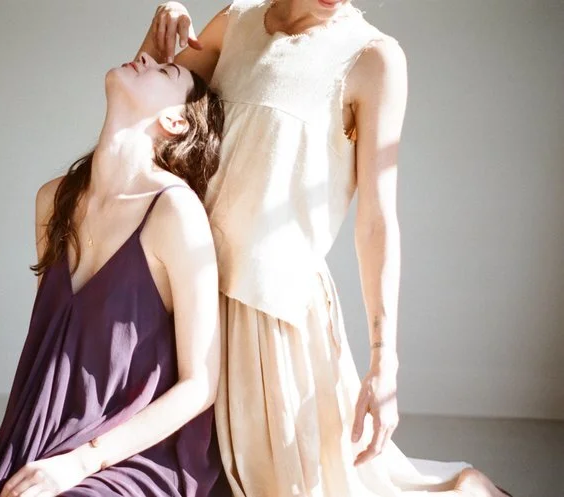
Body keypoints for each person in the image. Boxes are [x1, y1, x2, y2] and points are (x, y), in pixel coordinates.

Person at [135, 1, 511, 496]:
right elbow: (142, 125)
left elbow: (377, 219)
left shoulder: (373, 58)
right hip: (187, 290)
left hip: (268, 318)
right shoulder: (235, 22)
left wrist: (384, 361)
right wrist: (156, 38)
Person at [0, 53, 229, 497]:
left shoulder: (174, 210)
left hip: (134, 457)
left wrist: (83, 461)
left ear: (176, 122)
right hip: (40, 444)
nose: (145, 57)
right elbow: (51, 349)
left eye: (165, 71)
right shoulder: (52, 201)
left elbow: (200, 384)